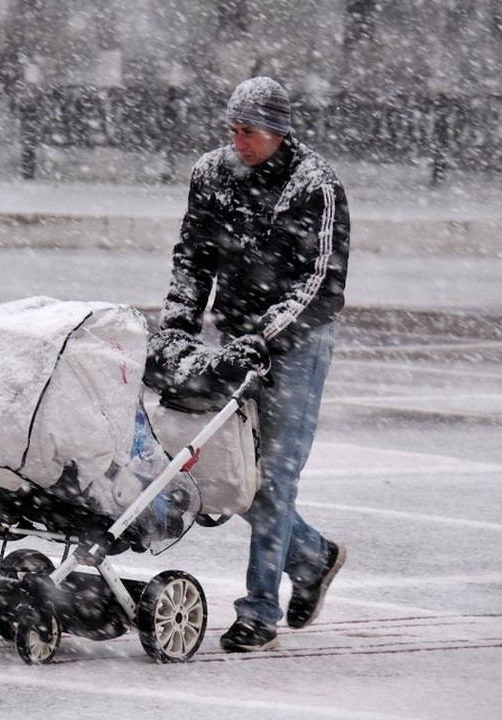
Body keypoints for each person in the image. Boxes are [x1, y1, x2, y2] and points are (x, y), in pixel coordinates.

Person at [158, 76, 350, 652]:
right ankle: (312, 557)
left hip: (298, 342)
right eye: (233, 130)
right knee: (229, 470)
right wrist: (178, 327)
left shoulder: (315, 185)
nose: (238, 142)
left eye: (249, 131)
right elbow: (193, 254)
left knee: (275, 477)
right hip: (235, 335)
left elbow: (322, 283)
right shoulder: (211, 174)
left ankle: (259, 611)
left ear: (278, 130)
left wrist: (265, 337)